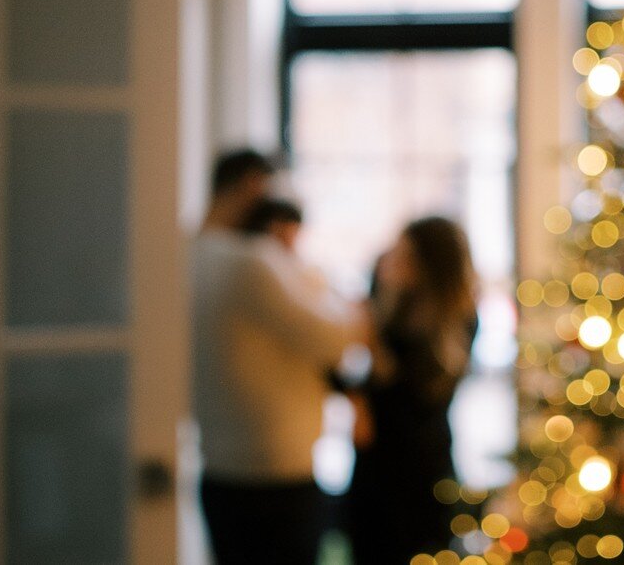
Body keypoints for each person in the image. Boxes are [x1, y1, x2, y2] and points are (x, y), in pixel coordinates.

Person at [190, 150, 362, 564]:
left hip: (217, 462)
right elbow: (338, 337)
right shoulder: (250, 262)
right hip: (276, 470)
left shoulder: (189, 254)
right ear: (253, 186)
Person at [345, 216, 479, 565]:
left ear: (428, 263)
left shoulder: (457, 319)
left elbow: (419, 399)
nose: (392, 260)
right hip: (375, 466)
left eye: (404, 255)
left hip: (421, 468)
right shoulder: (390, 302)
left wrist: (372, 343)